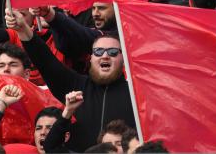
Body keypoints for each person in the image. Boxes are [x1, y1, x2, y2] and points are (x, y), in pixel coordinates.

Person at [8, 11, 135, 152]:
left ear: (123, 59)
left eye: (112, 52)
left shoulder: (137, 96)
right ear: (91, 58)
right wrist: (23, 29)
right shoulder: (76, 86)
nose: (105, 56)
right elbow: (45, 62)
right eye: (98, 51)